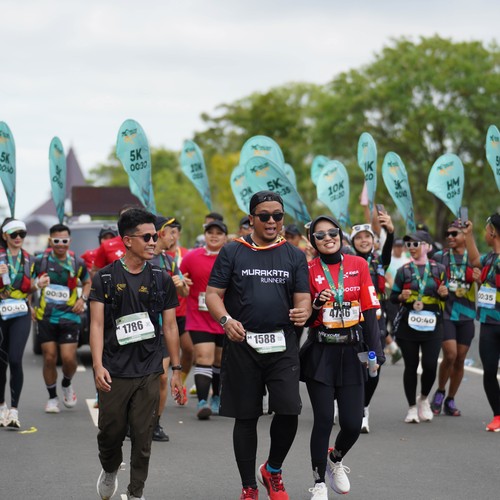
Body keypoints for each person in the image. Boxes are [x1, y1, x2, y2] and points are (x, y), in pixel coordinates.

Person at [206, 190, 311, 500]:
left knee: (289, 410)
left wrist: (303, 311)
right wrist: (226, 320)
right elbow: (212, 295)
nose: (271, 221)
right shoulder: (233, 251)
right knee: (246, 416)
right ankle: (249, 487)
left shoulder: (294, 255)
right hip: (243, 343)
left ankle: (272, 470)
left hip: (282, 344)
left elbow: (303, 298)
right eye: (264, 216)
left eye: (277, 215)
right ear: (251, 219)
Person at [89, 208, 183, 500]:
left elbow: (170, 326)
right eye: (147, 237)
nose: (154, 242)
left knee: (143, 436)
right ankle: (110, 469)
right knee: (110, 433)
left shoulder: (161, 278)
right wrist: (97, 365)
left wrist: (176, 369)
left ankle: (136, 492)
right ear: (128, 240)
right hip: (114, 369)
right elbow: (97, 324)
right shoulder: (105, 278)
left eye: (155, 236)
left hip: (149, 368)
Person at [300, 215, 384, 499]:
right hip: (321, 351)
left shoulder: (358, 265)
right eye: (320, 235)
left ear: (340, 234)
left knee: (352, 423)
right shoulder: (307, 269)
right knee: (324, 420)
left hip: (351, 351)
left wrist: (376, 351)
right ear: (313, 241)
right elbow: (303, 319)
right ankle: (318, 484)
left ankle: (334, 459)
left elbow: (369, 311)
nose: (328, 238)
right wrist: (315, 304)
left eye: (332, 232)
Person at [390, 230, 448, 424]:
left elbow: (445, 296)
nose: (412, 248)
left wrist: (444, 293)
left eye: (416, 244)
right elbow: (393, 297)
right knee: (411, 366)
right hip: (408, 325)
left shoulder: (439, 269)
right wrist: (401, 296)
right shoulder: (404, 270)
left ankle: (423, 399)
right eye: (409, 245)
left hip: (433, 324)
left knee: (430, 365)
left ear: (428, 247)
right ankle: (411, 408)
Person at [32, 223, 91, 413]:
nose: (60, 244)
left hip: (69, 316)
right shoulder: (40, 261)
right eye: (56, 241)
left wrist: (82, 299)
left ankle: (66, 383)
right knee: (49, 358)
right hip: (46, 316)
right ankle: (52, 398)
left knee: (68, 359)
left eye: (64, 241)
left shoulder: (77, 262)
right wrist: (29, 305)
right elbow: (27, 283)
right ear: (50, 241)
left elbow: (87, 282)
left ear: (69, 241)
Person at [430, 220, 481, 417]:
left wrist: (479, 279)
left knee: (460, 359)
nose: (449, 237)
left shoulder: (473, 258)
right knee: (450, 355)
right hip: (446, 313)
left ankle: (450, 399)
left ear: (465, 235)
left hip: (467, 314)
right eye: (447, 234)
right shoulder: (440, 257)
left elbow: (485, 283)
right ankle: (440, 391)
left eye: (454, 234)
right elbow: (429, 280)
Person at [349, 215, 394, 434]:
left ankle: (364, 407)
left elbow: (387, 252)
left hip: (376, 320)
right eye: (359, 237)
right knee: (353, 364)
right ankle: (349, 406)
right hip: (351, 320)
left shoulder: (379, 262)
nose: (364, 240)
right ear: (352, 242)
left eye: (367, 236)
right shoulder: (346, 261)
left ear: (374, 240)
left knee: (374, 365)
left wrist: (390, 232)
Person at [180, 219, 228, 419]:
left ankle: (216, 397)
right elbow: (182, 286)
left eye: (219, 233)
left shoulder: (231, 257)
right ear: (205, 235)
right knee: (203, 357)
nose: (214, 236)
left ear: (225, 237)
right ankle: (202, 402)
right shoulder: (191, 257)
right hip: (198, 316)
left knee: (219, 360)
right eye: (210, 232)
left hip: (225, 317)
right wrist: (182, 286)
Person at [149, 215, 190, 441]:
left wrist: (180, 284)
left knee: (162, 377)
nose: (173, 236)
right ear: (159, 233)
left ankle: (155, 423)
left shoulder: (170, 261)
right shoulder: (141, 259)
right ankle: (132, 421)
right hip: (139, 330)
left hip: (163, 329)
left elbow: (184, 291)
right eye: (170, 231)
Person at [0, 219, 35, 429]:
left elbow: (31, 287)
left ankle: (14, 410)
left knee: (15, 359)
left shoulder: (30, 259)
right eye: (14, 234)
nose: (18, 238)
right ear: (5, 236)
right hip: (1, 311)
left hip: (21, 312)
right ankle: (1, 406)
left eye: (22, 233)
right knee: (1, 362)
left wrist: (38, 286)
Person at [469, 214, 500, 432]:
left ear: (493, 232)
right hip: (488, 322)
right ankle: (498, 415)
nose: (485, 233)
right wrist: (468, 234)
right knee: (489, 371)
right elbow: (474, 261)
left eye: (486, 229)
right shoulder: (489, 257)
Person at [166, 218, 194, 394]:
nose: (172, 236)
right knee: (165, 355)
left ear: (179, 234)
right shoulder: (156, 255)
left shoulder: (186, 254)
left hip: (183, 312)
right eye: (169, 232)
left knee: (189, 350)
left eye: (174, 232)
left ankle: (180, 383)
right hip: (164, 313)